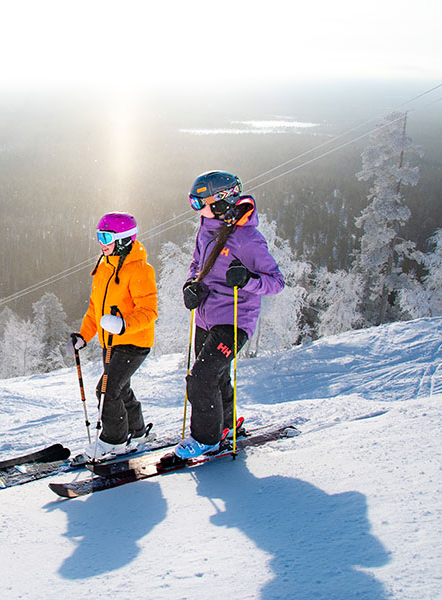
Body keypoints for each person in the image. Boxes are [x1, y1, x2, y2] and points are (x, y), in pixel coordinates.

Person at [175, 171, 284, 459]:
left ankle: (207, 439)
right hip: (205, 316)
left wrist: (247, 279)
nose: (196, 210)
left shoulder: (248, 240)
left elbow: (276, 282)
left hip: (235, 321)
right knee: (217, 377)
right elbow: (197, 263)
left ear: (222, 200)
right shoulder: (207, 228)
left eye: (200, 203)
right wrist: (191, 285)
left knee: (200, 379)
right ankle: (225, 427)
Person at [66, 212, 158, 462]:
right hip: (111, 344)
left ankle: (114, 442)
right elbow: (95, 309)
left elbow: (149, 312)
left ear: (125, 239)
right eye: (98, 236)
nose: (101, 242)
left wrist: (122, 324)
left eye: (106, 237)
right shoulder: (103, 267)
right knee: (120, 388)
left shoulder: (140, 269)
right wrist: (84, 336)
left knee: (106, 389)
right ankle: (138, 433)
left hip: (134, 342)